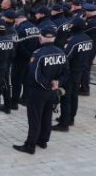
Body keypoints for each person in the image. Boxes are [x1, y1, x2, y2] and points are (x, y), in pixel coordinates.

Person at [13, 26, 68, 154]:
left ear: (41, 38)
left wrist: (48, 84)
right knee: (47, 116)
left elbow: (35, 75)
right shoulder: (61, 52)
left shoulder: (38, 53)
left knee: (35, 118)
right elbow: (66, 73)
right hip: (52, 91)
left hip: (38, 91)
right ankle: (43, 141)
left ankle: (30, 145)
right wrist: (57, 83)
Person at [52, 17, 93, 131]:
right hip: (79, 71)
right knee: (74, 96)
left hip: (70, 72)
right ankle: (70, 119)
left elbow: (66, 57)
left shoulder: (73, 41)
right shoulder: (88, 39)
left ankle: (64, 124)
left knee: (65, 97)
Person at [10, 13, 40, 109]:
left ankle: (14, 102)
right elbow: (39, 43)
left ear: (19, 19)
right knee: (27, 80)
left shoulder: (18, 29)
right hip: (32, 59)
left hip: (20, 59)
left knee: (16, 81)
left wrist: (26, 54)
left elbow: (18, 46)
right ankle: (25, 99)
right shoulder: (35, 27)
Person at [80, 3, 96, 96]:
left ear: (89, 12)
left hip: (89, 47)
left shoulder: (91, 23)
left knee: (85, 67)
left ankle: (85, 88)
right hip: (93, 46)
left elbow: (81, 30)